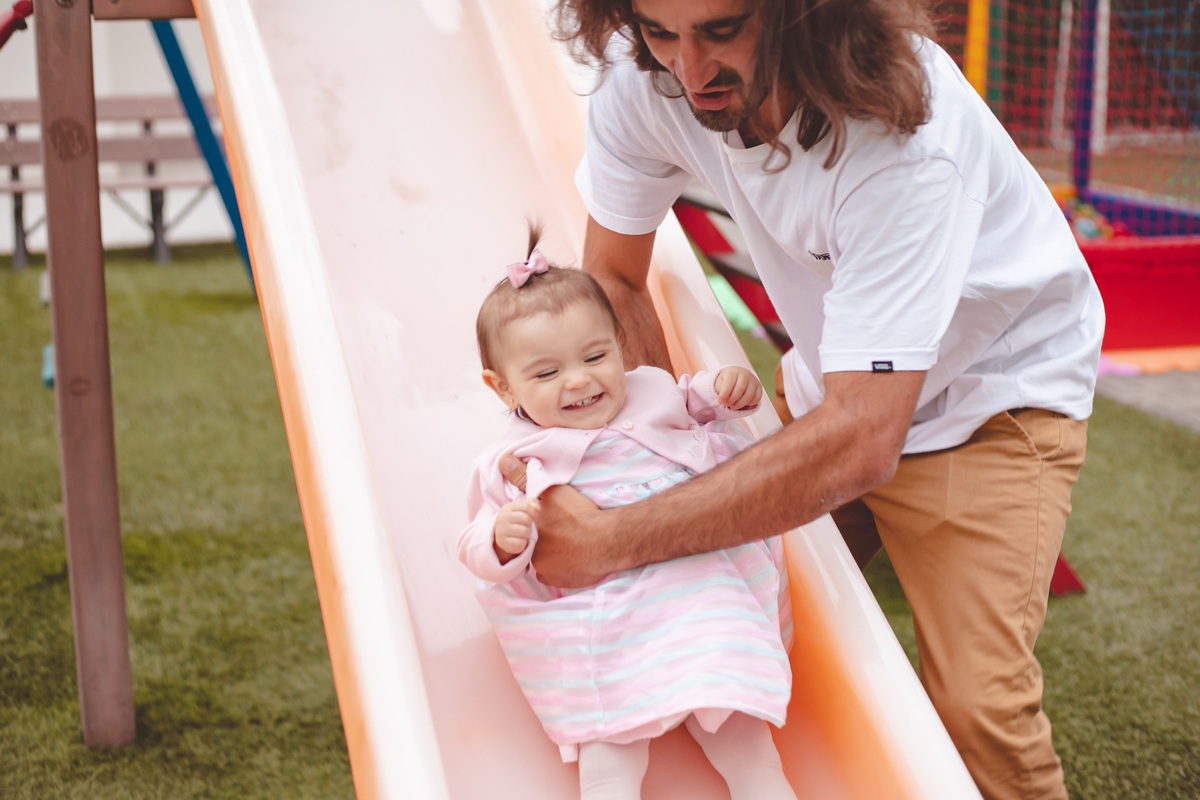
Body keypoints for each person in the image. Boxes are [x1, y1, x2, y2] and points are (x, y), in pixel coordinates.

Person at [493, 2, 1106, 799]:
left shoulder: (904, 138)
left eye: (722, 30)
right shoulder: (641, 70)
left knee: (977, 709)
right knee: (724, 620)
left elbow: (862, 439)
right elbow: (612, 277)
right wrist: (638, 455)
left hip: (986, 404)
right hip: (836, 388)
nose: (689, 70)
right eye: (661, 31)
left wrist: (614, 536)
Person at [459, 235, 798, 800]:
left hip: (698, 596)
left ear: (619, 343)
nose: (578, 380)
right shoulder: (514, 458)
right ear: (502, 387)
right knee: (607, 762)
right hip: (603, 619)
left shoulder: (652, 389)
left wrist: (723, 391)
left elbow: (695, 404)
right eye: (546, 373)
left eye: (595, 357)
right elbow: (475, 540)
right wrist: (500, 537)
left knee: (748, 743)